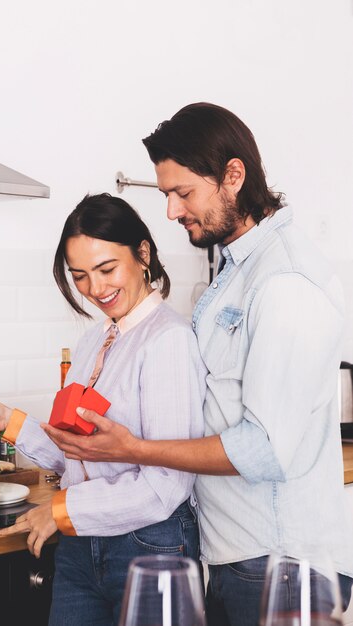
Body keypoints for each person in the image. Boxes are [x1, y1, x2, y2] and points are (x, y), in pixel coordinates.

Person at [42, 103, 353, 626]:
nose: (171, 211)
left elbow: (265, 448)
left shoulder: (284, 284)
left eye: (182, 193)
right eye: (166, 194)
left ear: (234, 176)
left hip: (280, 562)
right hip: (239, 556)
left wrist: (135, 448)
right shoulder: (238, 271)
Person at [0, 193, 206, 626]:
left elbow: (165, 487)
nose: (95, 289)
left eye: (106, 269)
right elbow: (81, 456)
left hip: (149, 546)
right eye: (80, 276)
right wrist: (11, 424)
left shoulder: (168, 340)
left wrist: (59, 511)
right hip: (81, 545)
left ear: (143, 254)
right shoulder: (94, 342)